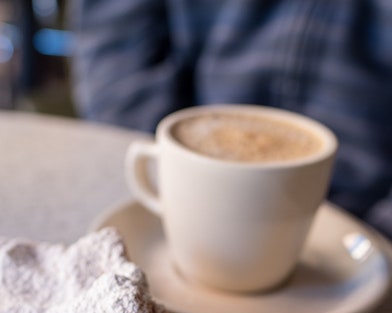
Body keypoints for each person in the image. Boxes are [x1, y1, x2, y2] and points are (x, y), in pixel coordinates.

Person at [69, 0, 392, 239]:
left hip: (369, 223)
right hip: (190, 188)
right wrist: (177, 177)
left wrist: (373, 238)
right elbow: (116, 48)